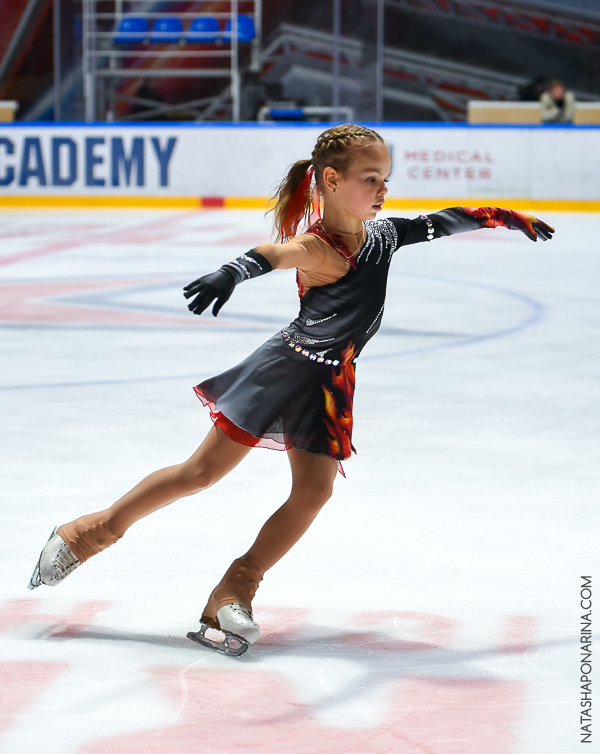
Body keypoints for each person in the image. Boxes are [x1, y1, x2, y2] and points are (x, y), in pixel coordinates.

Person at [28, 124, 555, 657]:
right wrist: (231, 274)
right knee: (201, 473)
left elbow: (443, 221)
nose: (383, 190)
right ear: (331, 179)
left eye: (385, 179)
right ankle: (87, 533)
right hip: (283, 373)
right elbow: (273, 254)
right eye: (371, 178)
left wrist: (510, 217)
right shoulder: (317, 247)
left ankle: (235, 588)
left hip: (329, 385)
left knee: (314, 491)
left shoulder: (385, 237)